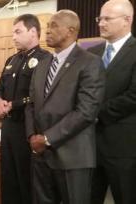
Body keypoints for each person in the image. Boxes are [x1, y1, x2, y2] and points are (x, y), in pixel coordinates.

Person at [25, 10, 105, 204]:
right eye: (48, 26)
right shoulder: (43, 64)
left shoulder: (90, 62)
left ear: (70, 30)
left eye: (54, 26)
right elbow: (31, 104)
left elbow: (86, 111)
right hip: (41, 155)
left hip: (73, 157)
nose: (48, 31)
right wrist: (31, 137)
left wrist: (47, 138)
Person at [0, 14, 50, 204]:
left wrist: (13, 105)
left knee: (26, 180)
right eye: (13, 33)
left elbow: (40, 96)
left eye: (18, 32)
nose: (14, 37)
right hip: (8, 127)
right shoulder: (12, 59)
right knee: (8, 179)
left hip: (27, 129)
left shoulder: (45, 59)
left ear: (33, 32)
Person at [88, 0, 136, 203]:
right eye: (100, 18)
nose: (101, 23)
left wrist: (94, 113)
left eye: (107, 18)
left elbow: (133, 95)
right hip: (89, 147)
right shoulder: (91, 54)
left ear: (127, 20)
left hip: (123, 148)